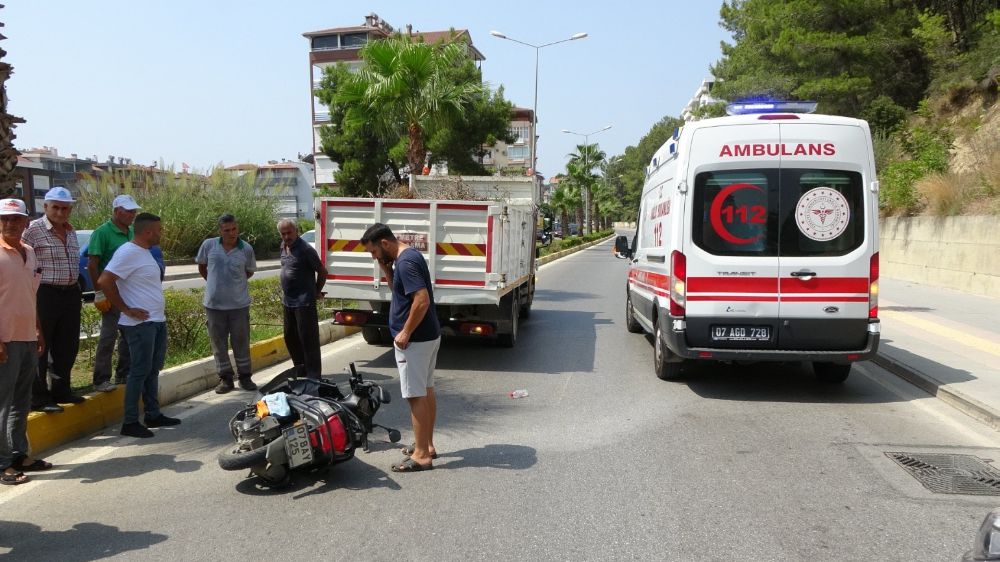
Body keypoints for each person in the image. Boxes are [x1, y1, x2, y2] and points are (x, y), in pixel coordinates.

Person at [360, 223, 440, 473]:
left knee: (416, 395)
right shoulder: (407, 258)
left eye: (374, 252)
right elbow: (402, 292)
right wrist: (386, 270)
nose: (374, 258)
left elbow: (421, 300)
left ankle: (421, 455)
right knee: (425, 391)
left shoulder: (405, 262)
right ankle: (426, 445)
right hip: (427, 336)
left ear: (385, 243)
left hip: (415, 341)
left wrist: (405, 331)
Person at [98, 212, 180, 438]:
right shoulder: (128, 252)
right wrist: (126, 309)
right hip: (139, 325)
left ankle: (153, 414)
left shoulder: (145, 252)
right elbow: (105, 280)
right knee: (139, 372)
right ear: (147, 232)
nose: (161, 233)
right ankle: (130, 421)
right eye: (159, 230)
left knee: (152, 370)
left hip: (155, 321)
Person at [0, 198, 53, 485]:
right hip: (5, 340)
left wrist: (38, 331)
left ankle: (20, 454)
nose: (10, 224)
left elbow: (30, 296)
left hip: (27, 337)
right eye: (4, 219)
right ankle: (2, 463)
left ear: (25, 222)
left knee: (22, 401)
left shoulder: (30, 252)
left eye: (15, 219)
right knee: (1, 404)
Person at [22, 187, 85, 413]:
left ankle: (62, 389)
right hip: (44, 294)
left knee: (67, 344)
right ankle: (39, 397)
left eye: (65, 208)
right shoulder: (32, 230)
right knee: (40, 346)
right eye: (56, 207)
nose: (60, 212)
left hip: (69, 293)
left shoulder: (71, 231)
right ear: (45, 207)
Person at [196, 214, 258, 394]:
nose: (231, 233)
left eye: (234, 229)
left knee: (241, 341)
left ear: (237, 228)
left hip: (239, 306)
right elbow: (202, 266)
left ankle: (245, 377)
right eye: (227, 230)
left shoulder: (246, 249)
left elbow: (249, 272)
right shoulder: (209, 245)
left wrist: (233, 286)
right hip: (214, 306)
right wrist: (215, 285)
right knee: (218, 343)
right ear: (220, 231)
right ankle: (225, 379)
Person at [88, 194, 141, 393]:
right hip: (111, 293)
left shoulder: (132, 232)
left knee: (128, 335)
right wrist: (99, 292)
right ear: (116, 211)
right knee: (108, 336)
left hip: (130, 293)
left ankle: (123, 373)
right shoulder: (102, 232)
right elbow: (92, 265)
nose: (132, 214)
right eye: (128, 211)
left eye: (134, 211)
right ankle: (101, 378)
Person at [277, 218, 327, 380]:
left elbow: (322, 271)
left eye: (289, 232)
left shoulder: (305, 250)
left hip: (304, 302)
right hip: (288, 301)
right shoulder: (283, 247)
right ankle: (300, 369)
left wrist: (316, 291)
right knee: (290, 337)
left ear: (296, 231)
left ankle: (314, 375)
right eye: (283, 234)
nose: (286, 236)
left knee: (308, 339)